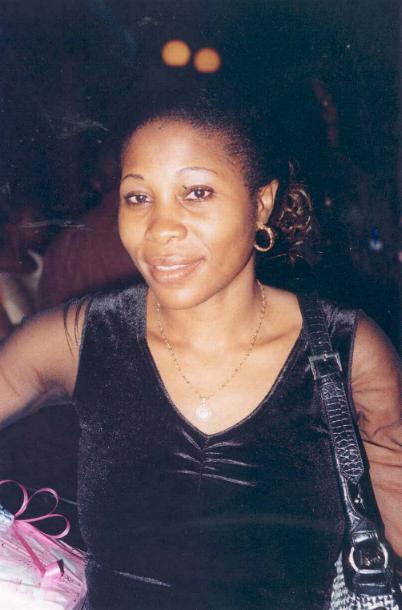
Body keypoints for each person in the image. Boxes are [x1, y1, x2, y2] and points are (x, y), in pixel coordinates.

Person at [0, 92, 400, 610]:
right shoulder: (78, 338)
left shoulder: (346, 350)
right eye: (138, 197)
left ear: (261, 203)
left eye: (197, 192)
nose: (161, 227)